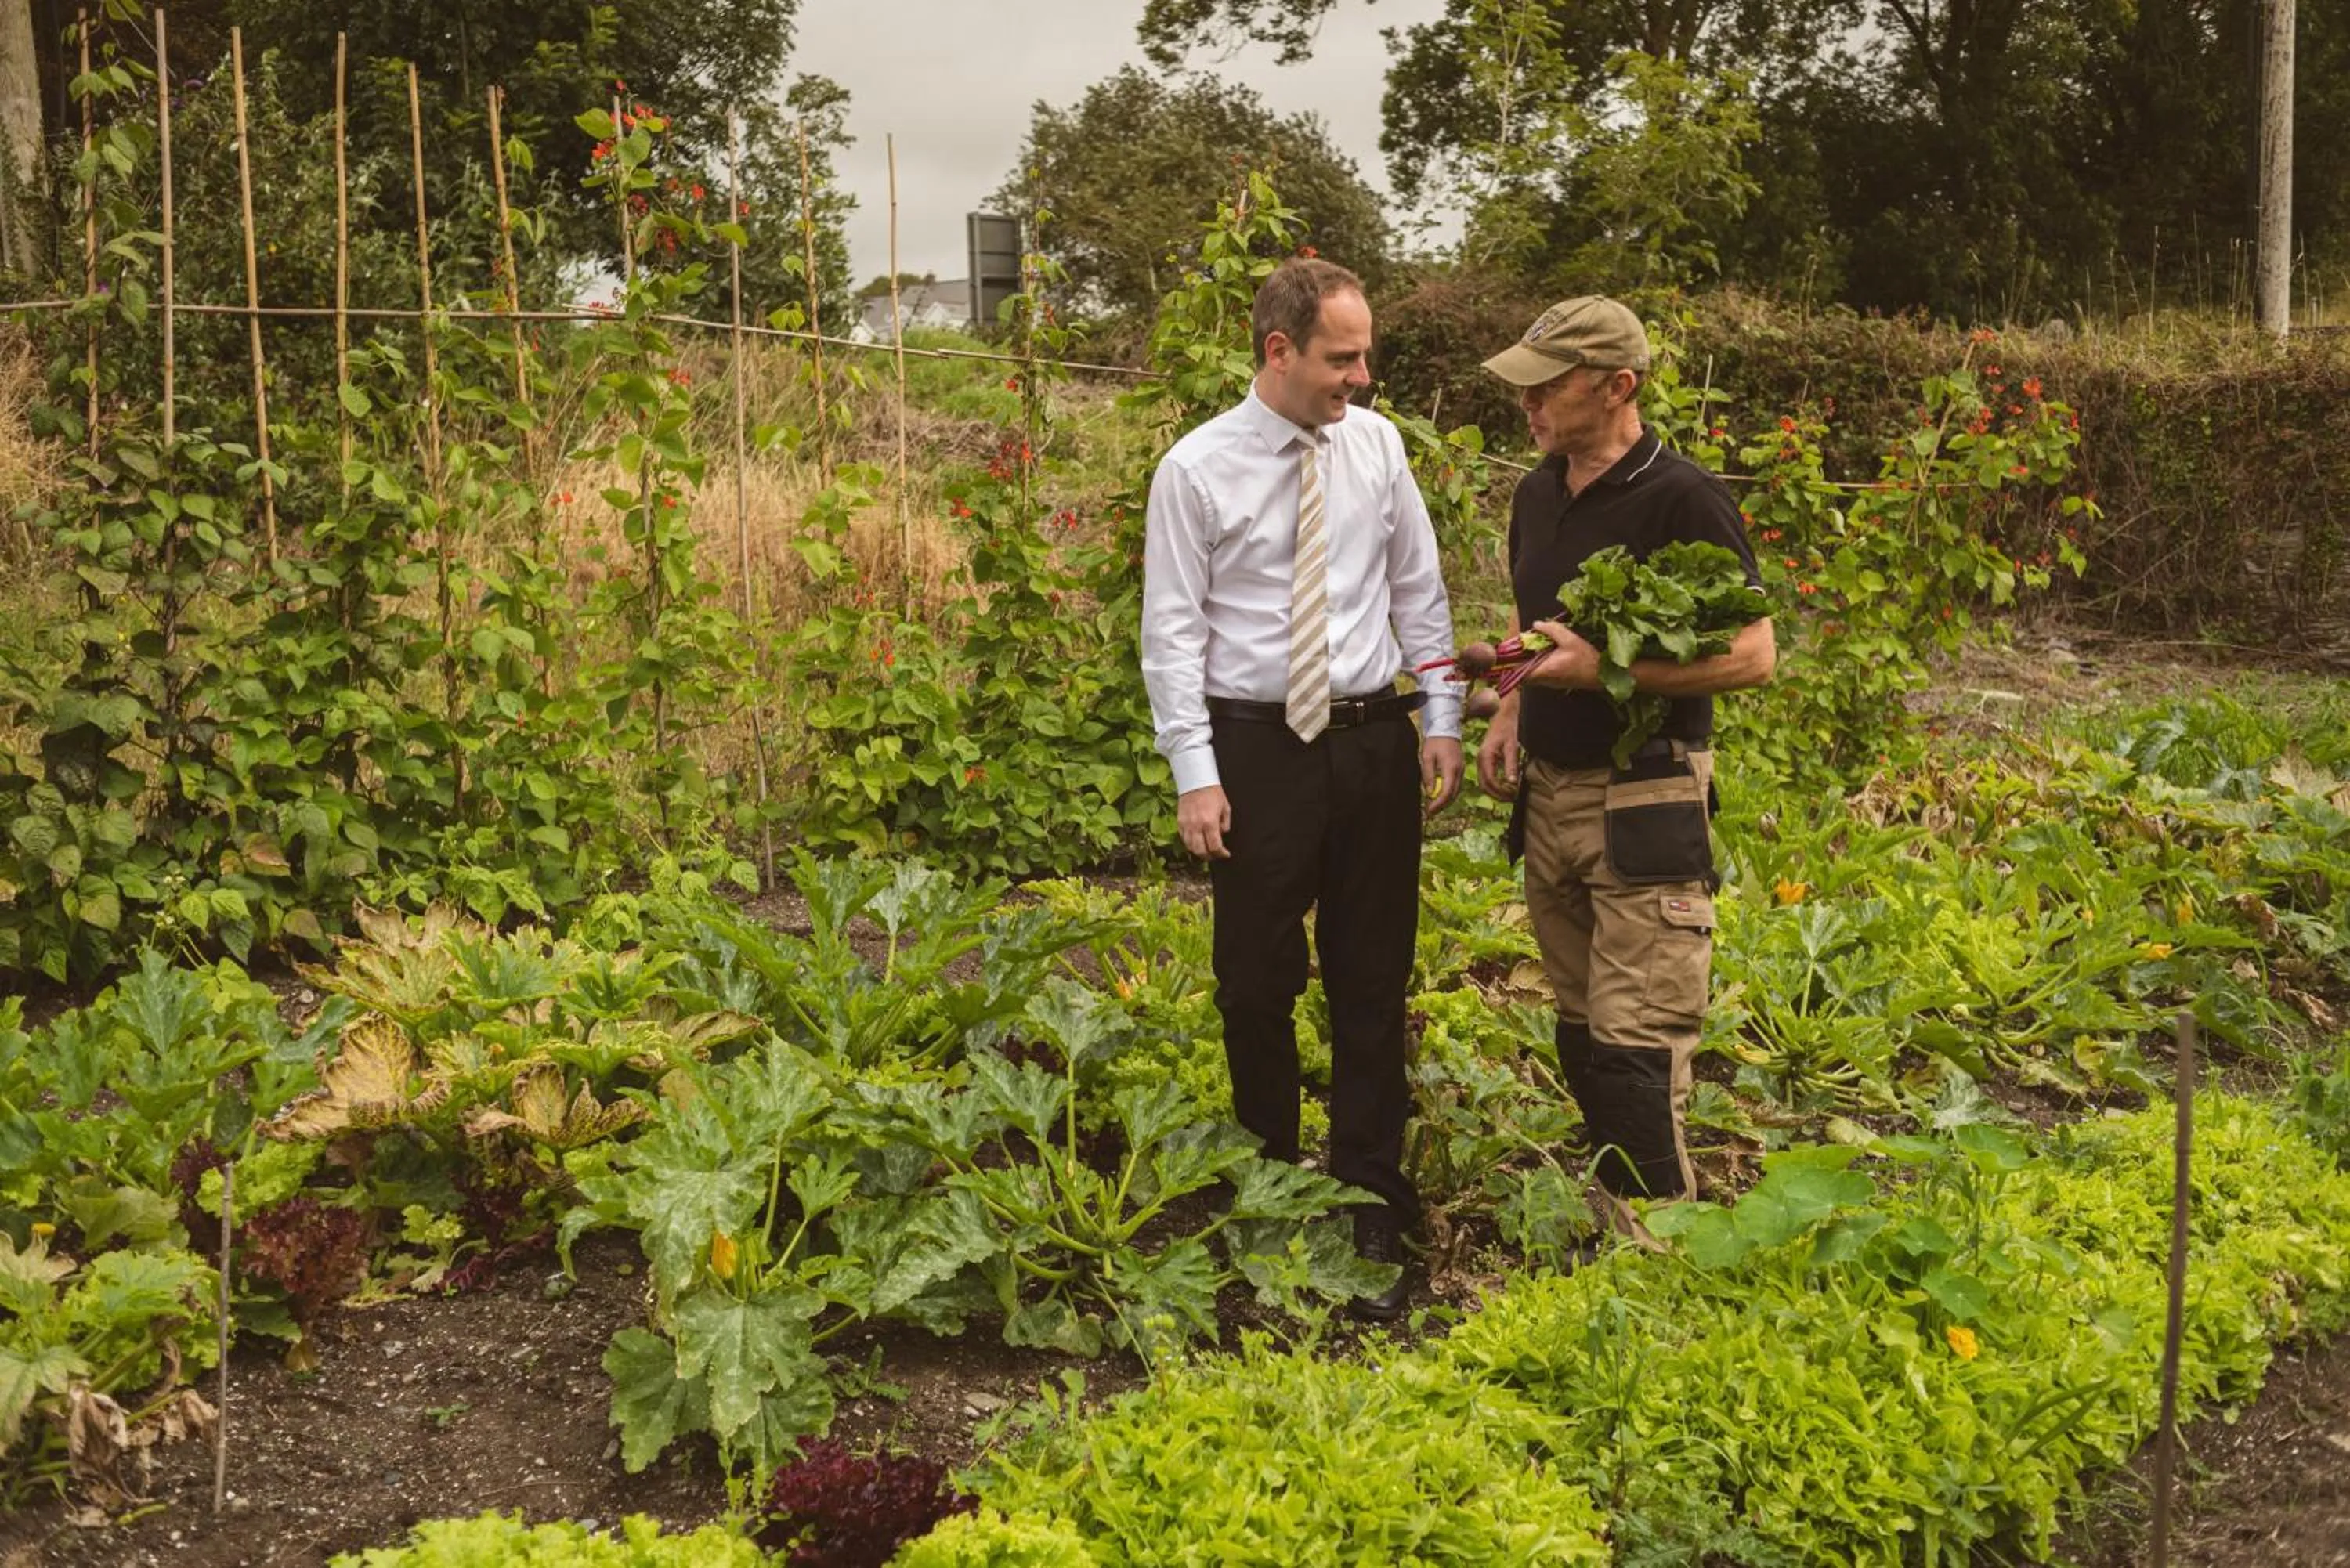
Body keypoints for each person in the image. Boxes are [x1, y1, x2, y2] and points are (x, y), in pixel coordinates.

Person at [1141, 257, 1465, 1320]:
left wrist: (1442, 716)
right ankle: (1267, 1182)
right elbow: (1173, 633)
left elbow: (1418, 587)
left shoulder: (1377, 447)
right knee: (1255, 980)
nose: (1361, 377)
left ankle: (1372, 1197)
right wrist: (1197, 774)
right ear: (1277, 350)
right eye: (1342, 357)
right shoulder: (1195, 470)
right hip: (1258, 748)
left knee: (1373, 981)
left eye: (1364, 354)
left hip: (1372, 737)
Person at [1473, 295, 1774, 1231]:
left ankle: (1659, 1252)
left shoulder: (1683, 497)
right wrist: (1514, 700)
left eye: (1548, 389)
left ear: (1619, 388)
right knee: (1581, 1026)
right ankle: (1619, 1215)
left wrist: (1607, 667)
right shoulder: (1536, 492)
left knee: (1638, 1040)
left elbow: (1755, 654)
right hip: (1552, 795)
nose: (1528, 408)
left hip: (1646, 790)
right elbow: (1540, 634)